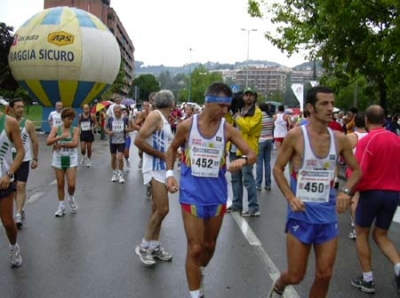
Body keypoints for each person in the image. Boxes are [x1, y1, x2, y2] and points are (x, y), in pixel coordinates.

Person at [269, 86, 362, 298]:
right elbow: (277, 168)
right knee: (295, 276)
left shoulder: (339, 138)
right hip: (301, 214)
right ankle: (281, 282)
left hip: (327, 215)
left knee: (325, 274)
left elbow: (356, 171)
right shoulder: (295, 136)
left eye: (332, 103)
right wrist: (290, 197)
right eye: (324, 104)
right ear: (310, 108)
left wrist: (346, 192)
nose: (331, 108)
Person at [165, 82, 257, 298]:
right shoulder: (187, 126)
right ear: (208, 103)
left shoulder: (228, 129)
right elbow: (171, 149)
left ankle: (199, 271)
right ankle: (196, 293)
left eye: (228, 106)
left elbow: (251, 154)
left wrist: (242, 161)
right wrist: (169, 175)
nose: (226, 111)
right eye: (222, 106)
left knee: (209, 245)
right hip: (191, 193)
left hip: (216, 195)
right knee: (195, 247)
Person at [350, 105, 400, 295]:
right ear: (385, 119)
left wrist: (349, 192)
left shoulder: (368, 140)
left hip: (372, 193)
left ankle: (368, 279)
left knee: (361, 233)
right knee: (381, 235)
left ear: (367, 121)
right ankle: (398, 267)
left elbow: (360, 171)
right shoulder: (396, 139)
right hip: (393, 193)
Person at [134, 90, 175, 266]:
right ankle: (143, 247)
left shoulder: (163, 119)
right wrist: (161, 155)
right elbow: (138, 140)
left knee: (156, 209)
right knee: (163, 209)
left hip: (162, 169)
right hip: (154, 168)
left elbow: (163, 143)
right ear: (172, 104)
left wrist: (173, 154)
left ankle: (154, 246)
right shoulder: (155, 116)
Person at [229, 87, 262, 216]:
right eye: (246, 95)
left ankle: (254, 207)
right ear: (243, 97)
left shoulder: (257, 112)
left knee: (248, 179)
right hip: (234, 148)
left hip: (247, 150)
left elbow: (248, 128)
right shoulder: (239, 110)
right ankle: (237, 205)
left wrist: (237, 117)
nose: (248, 97)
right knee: (235, 179)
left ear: (254, 98)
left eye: (251, 95)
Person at [8, 98, 39, 228]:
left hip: (24, 160)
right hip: (9, 161)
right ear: (11, 109)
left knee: (21, 186)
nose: (21, 109)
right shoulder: (6, 123)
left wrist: (35, 158)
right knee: (13, 188)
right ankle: (20, 207)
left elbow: (34, 141)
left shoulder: (28, 124)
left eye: (22, 106)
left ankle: (18, 214)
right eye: (18, 107)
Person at [0, 107, 25, 267]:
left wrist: (9, 174)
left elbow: (21, 152)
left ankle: (13, 247)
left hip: (3, 180)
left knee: (8, 223)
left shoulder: (9, 122)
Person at [46, 108, 79, 217]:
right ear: (63, 119)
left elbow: (75, 144)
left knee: (71, 184)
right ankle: (61, 206)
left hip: (71, 158)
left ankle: (71, 197)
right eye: (69, 119)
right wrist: (60, 137)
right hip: (59, 158)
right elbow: (48, 142)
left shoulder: (75, 130)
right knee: (60, 184)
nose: (71, 121)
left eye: (72, 119)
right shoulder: (56, 129)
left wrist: (61, 144)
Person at [345, 112, 368, 240]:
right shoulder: (372, 136)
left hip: (354, 170)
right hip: (369, 171)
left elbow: (343, 155)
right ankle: (364, 225)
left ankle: (355, 226)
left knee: (355, 198)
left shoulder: (350, 137)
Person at [104, 105, 132, 184]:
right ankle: (114, 173)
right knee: (113, 158)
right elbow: (105, 127)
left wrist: (127, 129)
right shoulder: (110, 118)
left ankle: (120, 174)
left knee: (120, 158)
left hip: (121, 141)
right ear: (113, 112)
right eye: (115, 112)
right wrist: (109, 132)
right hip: (112, 141)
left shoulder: (125, 118)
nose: (117, 114)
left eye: (119, 112)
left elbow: (130, 128)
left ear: (121, 111)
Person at [256, 102, 274, 191]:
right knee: (267, 163)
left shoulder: (259, 117)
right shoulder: (271, 117)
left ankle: (258, 184)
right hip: (269, 140)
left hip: (260, 140)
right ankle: (268, 184)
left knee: (259, 163)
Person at [134, 100, 152, 169]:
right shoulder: (141, 114)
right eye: (145, 106)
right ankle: (141, 159)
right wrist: (142, 128)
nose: (147, 107)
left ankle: (148, 163)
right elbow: (136, 124)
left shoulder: (152, 114)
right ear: (143, 107)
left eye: (148, 106)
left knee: (149, 149)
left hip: (150, 134)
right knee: (140, 151)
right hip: (142, 134)